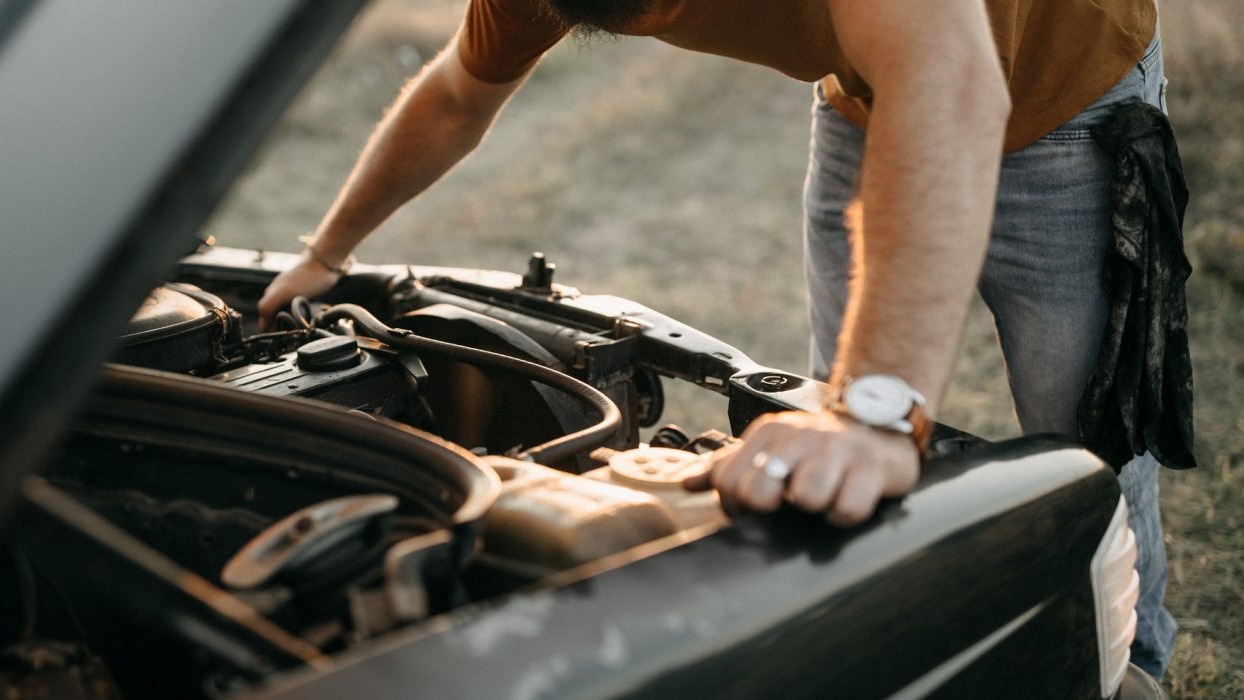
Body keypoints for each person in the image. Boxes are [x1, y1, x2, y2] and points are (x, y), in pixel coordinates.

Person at [258, 0, 1177, 678]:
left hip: (1069, 93)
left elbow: (951, 80)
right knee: (831, 458)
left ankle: (1130, 663)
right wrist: (327, 253)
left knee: (1090, 433)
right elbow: (457, 96)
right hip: (868, 99)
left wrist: (876, 410)